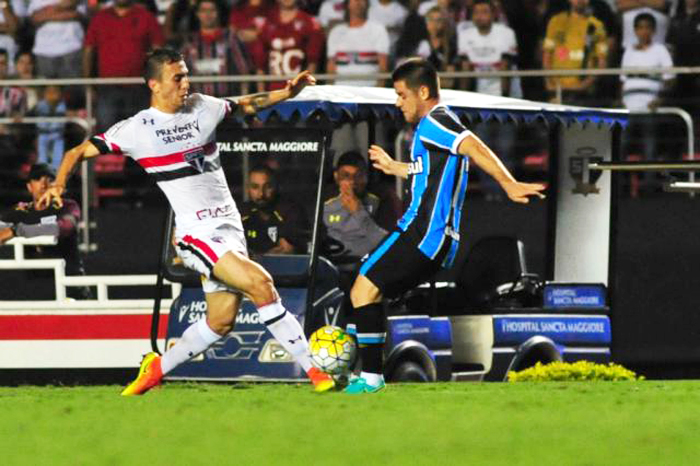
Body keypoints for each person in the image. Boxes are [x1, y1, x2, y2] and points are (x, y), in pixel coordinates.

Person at [39, 48, 335, 395]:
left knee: (221, 322)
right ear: (154, 84)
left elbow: (245, 104)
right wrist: (58, 184)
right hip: (196, 234)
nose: (185, 83)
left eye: (185, 75)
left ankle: (156, 368)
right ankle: (317, 371)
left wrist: (288, 92)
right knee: (261, 284)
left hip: (230, 229)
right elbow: (77, 152)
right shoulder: (137, 129)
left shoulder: (201, 106)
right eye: (177, 77)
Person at [343, 58, 545, 394]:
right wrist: (396, 167)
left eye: (401, 95)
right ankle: (362, 373)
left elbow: (473, 146)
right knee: (367, 292)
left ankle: (369, 378)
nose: (398, 103)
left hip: (422, 232)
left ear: (423, 91)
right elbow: (430, 172)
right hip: (436, 240)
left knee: (362, 290)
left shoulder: (436, 121)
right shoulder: (432, 128)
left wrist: (508, 183)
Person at [0, 163, 90, 300]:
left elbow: (65, 227)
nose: (43, 185)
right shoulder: (20, 211)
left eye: (50, 179)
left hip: (69, 286)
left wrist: (17, 230)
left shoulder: (67, 206)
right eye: (37, 179)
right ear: (29, 186)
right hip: (34, 290)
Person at [84, 0, 165, 131]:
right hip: (106, 88)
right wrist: (88, 82)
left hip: (138, 86)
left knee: (140, 132)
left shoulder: (146, 16)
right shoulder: (100, 18)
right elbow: (89, 49)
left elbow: (159, 50)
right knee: (107, 133)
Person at [323, 151, 389, 262]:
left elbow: (387, 242)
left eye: (358, 175)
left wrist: (358, 211)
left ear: (366, 177)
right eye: (346, 176)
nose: (352, 181)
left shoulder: (379, 200)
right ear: (336, 177)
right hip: (335, 263)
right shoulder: (325, 205)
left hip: (369, 264)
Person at [542, 0, 609, 105]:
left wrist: (584, 85)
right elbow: (547, 55)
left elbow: (602, 63)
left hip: (583, 93)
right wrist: (548, 83)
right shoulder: (556, 21)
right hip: (557, 89)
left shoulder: (596, 25)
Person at [181, 0, 254, 97]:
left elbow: (244, 70)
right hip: (198, 103)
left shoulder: (230, 37)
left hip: (227, 101)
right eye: (203, 10)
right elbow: (180, 72)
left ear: (218, 13)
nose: (208, 14)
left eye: (212, 10)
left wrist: (243, 98)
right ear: (197, 14)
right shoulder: (190, 41)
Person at [250, 0, 325, 91]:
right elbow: (260, 64)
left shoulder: (309, 23)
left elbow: (312, 63)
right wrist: (261, 95)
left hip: (298, 90)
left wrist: (305, 92)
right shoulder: (266, 22)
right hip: (272, 90)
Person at [240, 164, 309, 255]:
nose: (261, 194)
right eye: (255, 187)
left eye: (267, 187)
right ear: (247, 189)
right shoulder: (241, 214)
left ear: (276, 187)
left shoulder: (291, 212)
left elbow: (286, 252)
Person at [326, 0, 389, 87]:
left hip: (369, 88)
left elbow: (383, 67)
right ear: (347, 4)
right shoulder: (336, 32)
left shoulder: (378, 30)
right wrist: (330, 91)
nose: (358, 2)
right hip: (340, 89)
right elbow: (331, 68)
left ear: (367, 4)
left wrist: (378, 91)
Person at [28, 0, 85, 78]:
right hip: (43, 51)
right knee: (46, 88)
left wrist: (47, 12)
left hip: (72, 48)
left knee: (72, 88)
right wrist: (62, 8)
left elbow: (77, 14)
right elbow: (35, 18)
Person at [34, 85, 66, 171]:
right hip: (43, 134)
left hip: (57, 135)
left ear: (60, 94)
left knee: (58, 154)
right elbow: (32, 113)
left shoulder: (62, 105)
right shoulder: (41, 105)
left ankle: (56, 171)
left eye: (55, 92)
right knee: (42, 157)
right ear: (44, 94)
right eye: (49, 93)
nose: (52, 95)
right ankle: (42, 171)